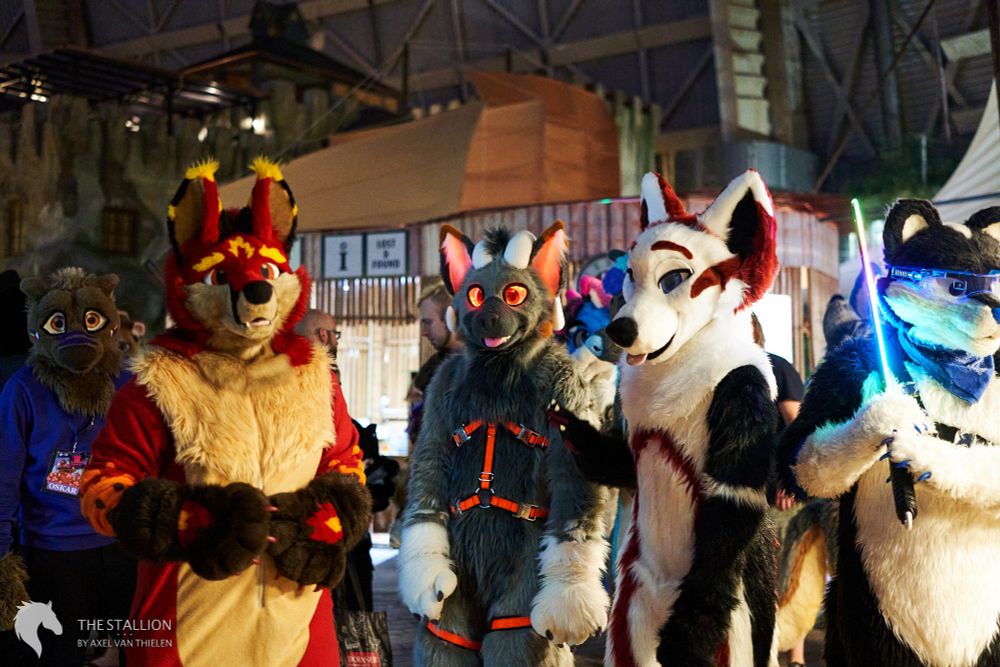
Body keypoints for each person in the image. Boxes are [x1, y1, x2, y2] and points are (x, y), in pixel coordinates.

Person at [0, 268, 136, 666]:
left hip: (119, 546)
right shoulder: (23, 389)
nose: (78, 333)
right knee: (61, 653)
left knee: (120, 653)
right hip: (50, 551)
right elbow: (4, 477)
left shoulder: (128, 385)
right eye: (59, 322)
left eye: (91, 320)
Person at [751, 314, 809, 666]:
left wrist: (789, 478)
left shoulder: (776, 368)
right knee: (760, 576)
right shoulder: (729, 375)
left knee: (786, 571)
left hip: (779, 492)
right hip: (746, 491)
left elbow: (798, 428)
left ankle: (797, 656)